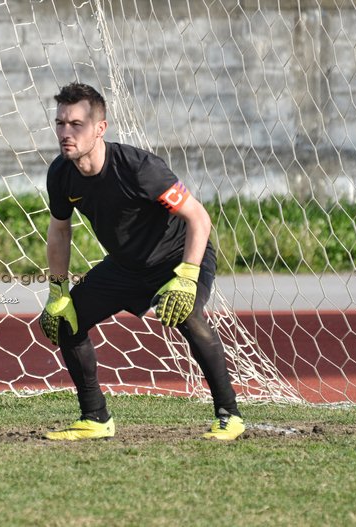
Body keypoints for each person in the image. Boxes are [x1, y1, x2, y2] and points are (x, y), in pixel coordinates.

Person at [39, 82, 244, 441]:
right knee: (67, 321)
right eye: (60, 123)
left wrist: (187, 276)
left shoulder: (139, 168)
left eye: (76, 124)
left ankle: (230, 415)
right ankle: (95, 418)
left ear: (100, 128)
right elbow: (59, 231)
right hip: (125, 266)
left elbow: (198, 218)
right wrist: (58, 291)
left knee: (188, 315)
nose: (65, 133)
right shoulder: (61, 173)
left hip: (177, 258)